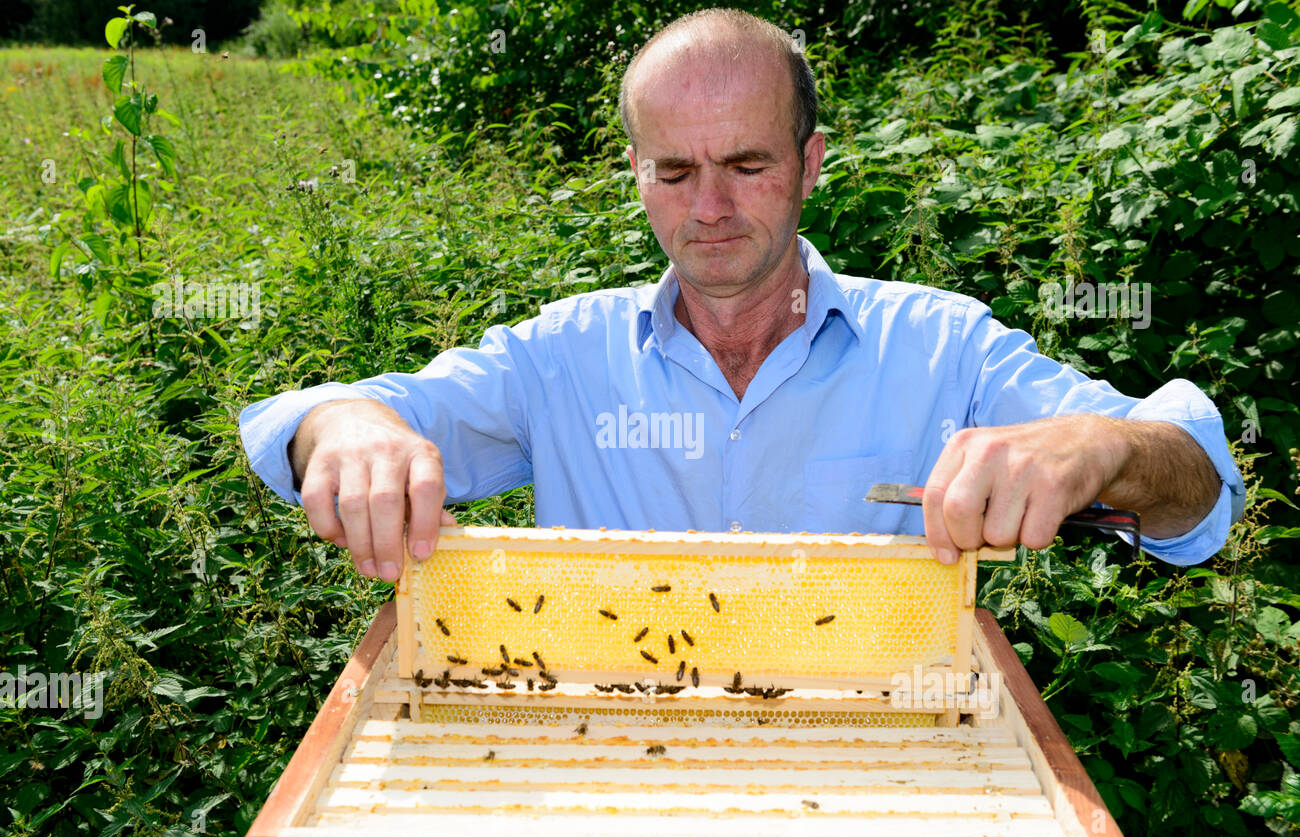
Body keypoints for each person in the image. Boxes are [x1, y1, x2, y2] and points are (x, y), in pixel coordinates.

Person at [239, 8, 1243, 584]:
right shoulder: (560, 358)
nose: (709, 207)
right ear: (632, 170)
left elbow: (1199, 498)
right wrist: (344, 428)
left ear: (810, 163)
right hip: (613, 803)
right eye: (673, 172)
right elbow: (295, 426)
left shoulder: (944, 349)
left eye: (747, 164)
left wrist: (1097, 446)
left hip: (863, 806)